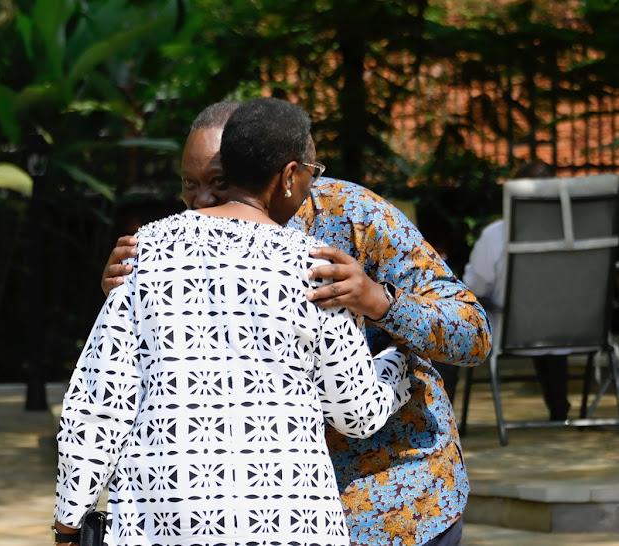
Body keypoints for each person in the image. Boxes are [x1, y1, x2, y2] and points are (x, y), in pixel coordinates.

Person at [101, 101, 491, 546]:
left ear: (273, 171)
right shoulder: (173, 249)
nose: (202, 201)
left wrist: (379, 301)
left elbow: (473, 334)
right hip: (267, 513)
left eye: (219, 183)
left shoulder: (355, 218)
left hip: (393, 500)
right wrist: (121, 297)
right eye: (189, 185)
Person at [463, 159, 570, 421]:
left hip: (512, 331)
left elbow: (472, 287)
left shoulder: (497, 234)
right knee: (551, 322)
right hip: (574, 330)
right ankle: (559, 408)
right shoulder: (580, 232)